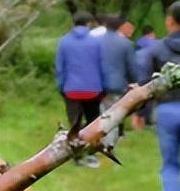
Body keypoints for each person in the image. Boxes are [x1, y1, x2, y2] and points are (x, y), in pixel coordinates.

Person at [138, 1, 180, 191]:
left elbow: (146, 85)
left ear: (170, 21)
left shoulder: (156, 49)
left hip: (166, 111)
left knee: (170, 162)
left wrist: (141, 113)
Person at [55, 11, 102, 167]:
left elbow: (60, 67)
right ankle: (92, 156)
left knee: (74, 124)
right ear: (88, 24)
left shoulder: (64, 42)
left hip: (72, 89)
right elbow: (102, 66)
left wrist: (62, 87)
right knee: (93, 124)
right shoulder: (96, 42)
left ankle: (76, 157)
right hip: (93, 89)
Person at [99, 15, 138, 149]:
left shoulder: (95, 41)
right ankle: (108, 145)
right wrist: (134, 82)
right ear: (119, 27)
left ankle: (93, 141)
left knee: (97, 115)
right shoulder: (126, 43)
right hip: (116, 84)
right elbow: (131, 67)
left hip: (96, 84)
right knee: (112, 116)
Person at [132, 25, 157, 130]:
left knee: (136, 100)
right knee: (149, 99)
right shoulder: (156, 44)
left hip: (137, 74)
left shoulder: (137, 44)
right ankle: (144, 124)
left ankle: (136, 125)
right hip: (149, 74)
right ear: (152, 34)